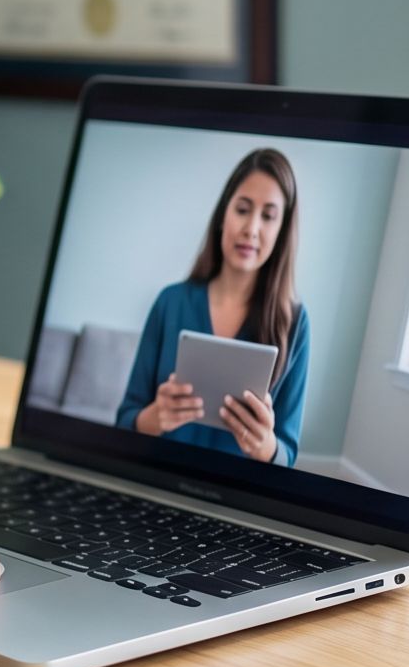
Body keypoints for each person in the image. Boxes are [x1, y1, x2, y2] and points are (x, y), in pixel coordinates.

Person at [114, 148, 311, 465]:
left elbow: (286, 455)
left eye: (268, 216)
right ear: (223, 215)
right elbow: (125, 420)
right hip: (158, 479)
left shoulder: (295, 323)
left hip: (236, 497)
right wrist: (155, 417)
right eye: (243, 209)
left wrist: (264, 446)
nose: (251, 229)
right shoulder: (170, 302)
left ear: (282, 231)